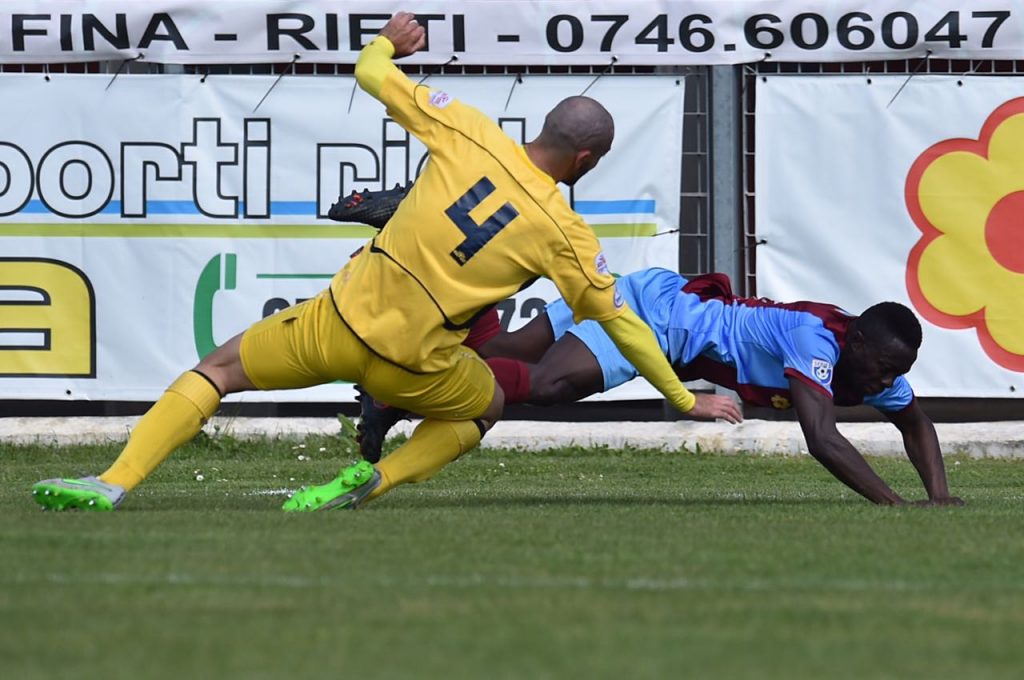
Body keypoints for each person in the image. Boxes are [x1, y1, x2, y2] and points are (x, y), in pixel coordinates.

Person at [31, 12, 738, 513]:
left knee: (217, 371)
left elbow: (371, 71)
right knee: (487, 404)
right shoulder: (566, 233)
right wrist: (685, 401)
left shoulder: (469, 129)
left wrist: (388, 41)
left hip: (334, 326)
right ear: (585, 159)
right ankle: (378, 480)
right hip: (415, 368)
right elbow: (623, 325)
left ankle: (115, 481)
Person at [358, 265, 964, 506]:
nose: (889, 381)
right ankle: (396, 390)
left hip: (648, 292)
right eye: (885, 368)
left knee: (494, 353)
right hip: (657, 320)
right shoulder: (817, 341)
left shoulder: (871, 367)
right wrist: (897, 507)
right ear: (857, 343)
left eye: (898, 372)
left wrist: (938, 497)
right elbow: (822, 438)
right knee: (546, 384)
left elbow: (917, 423)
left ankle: (430, 282)